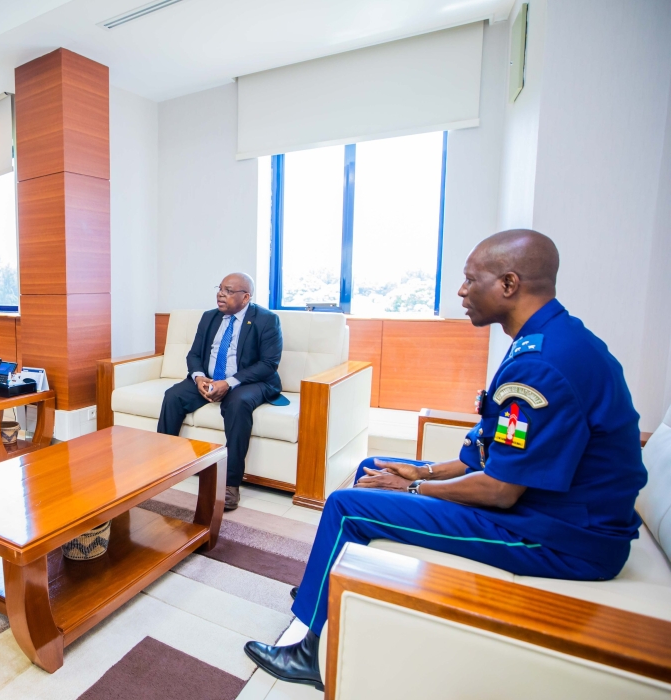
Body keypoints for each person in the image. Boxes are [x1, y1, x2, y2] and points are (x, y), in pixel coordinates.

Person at [243, 230, 648, 690]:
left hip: (560, 537)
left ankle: (309, 656)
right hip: (545, 511)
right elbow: (494, 446)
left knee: (345, 505)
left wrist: (414, 488)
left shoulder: (543, 364)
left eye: (470, 280)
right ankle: (326, 585)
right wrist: (423, 470)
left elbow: (499, 489)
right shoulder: (547, 339)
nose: (460, 291)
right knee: (371, 468)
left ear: (509, 285)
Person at [157, 272, 285, 511]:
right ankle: (163, 465)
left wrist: (230, 382)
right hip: (209, 378)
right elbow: (194, 354)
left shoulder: (267, 320)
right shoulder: (209, 318)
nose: (220, 294)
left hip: (250, 381)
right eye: (220, 289)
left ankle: (230, 484)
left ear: (246, 297)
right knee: (172, 396)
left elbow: (268, 364)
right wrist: (199, 378)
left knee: (237, 405)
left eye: (228, 291)